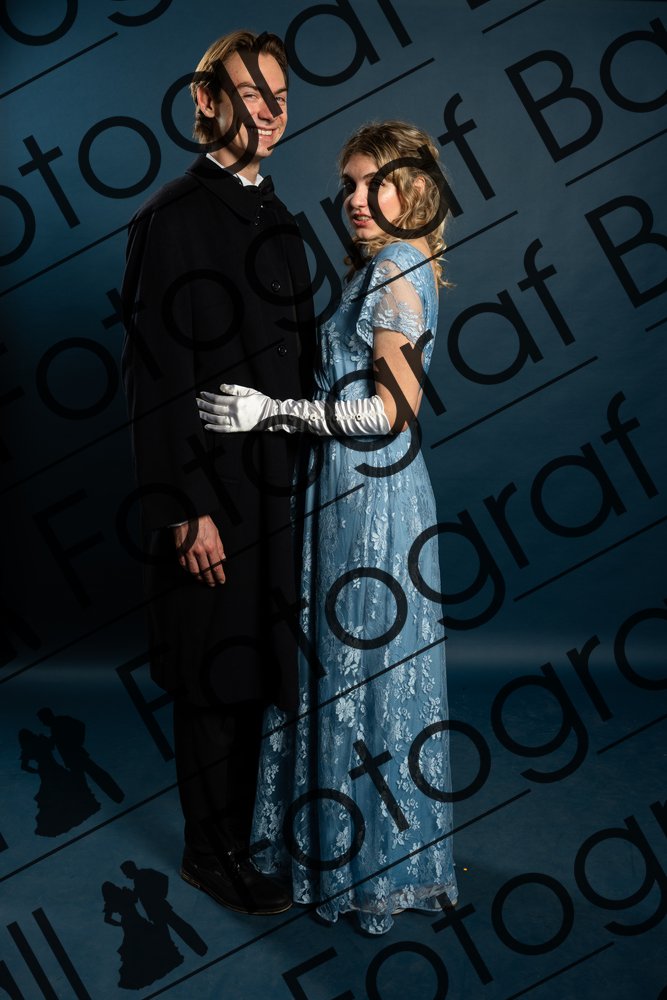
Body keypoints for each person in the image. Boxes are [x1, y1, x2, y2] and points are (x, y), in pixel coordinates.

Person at [197, 121, 458, 934]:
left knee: (357, 671)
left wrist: (272, 412)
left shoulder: (397, 269)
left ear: (414, 189)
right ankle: (344, 849)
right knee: (339, 671)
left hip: (372, 496)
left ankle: (363, 863)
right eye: (348, 184)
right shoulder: (384, 265)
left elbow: (389, 413)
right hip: (345, 488)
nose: (355, 198)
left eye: (374, 183)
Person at [121, 29, 314, 915]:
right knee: (211, 672)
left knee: (258, 668)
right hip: (207, 491)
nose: (268, 111)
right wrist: (183, 510)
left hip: (276, 485)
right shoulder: (171, 218)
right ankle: (211, 853)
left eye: (280, 94)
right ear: (205, 100)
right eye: (249, 92)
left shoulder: (280, 216)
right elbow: (154, 376)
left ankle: (244, 833)